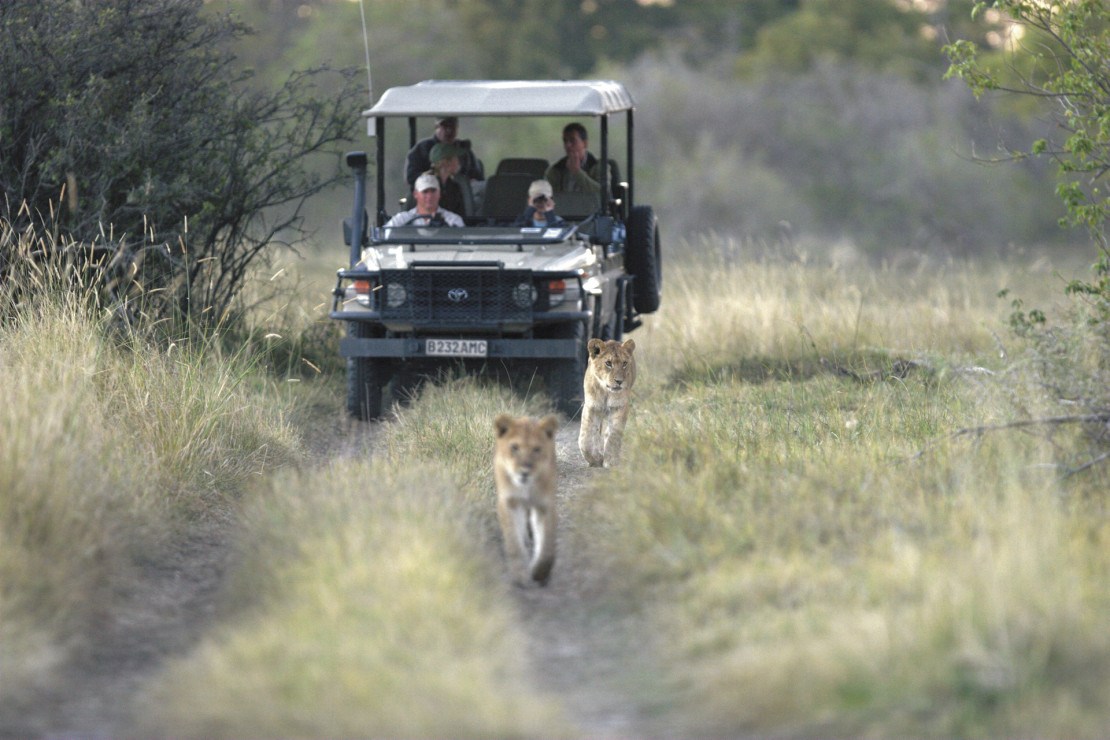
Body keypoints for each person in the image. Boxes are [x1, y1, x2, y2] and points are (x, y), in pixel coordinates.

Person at [544, 122, 620, 196]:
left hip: (591, 208)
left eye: (573, 141)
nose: (568, 145)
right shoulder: (555, 170)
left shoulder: (599, 167)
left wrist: (577, 172)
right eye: (565, 141)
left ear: (585, 143)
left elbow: (604, 195)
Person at [405, 116, 485, 186]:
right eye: (445, 126)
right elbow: (411, 177)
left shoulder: (465, 152)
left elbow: (478, 178)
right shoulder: (422, 149)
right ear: (436, 127)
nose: (449, 130)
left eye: (452, 126)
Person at [384, 173, 464, 227]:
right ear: (415, 194)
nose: (429, 196)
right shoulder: (402, 220)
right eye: (425, 192)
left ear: (439, 193)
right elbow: (384, 237)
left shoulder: (453, 221)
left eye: (433, 191)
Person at [427, 141, 468, 216]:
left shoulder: (455, 187)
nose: (459, 163)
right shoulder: (425, 186)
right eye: (456, 159)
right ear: (445, 162)